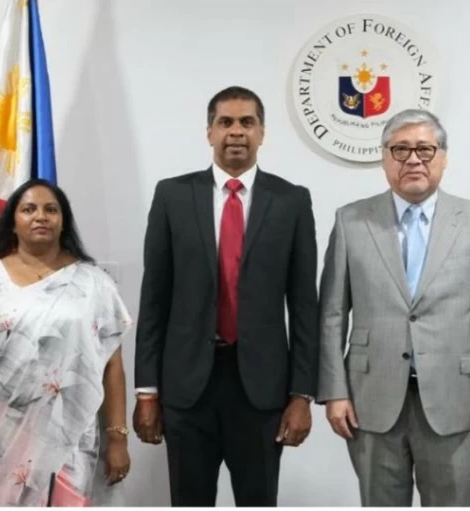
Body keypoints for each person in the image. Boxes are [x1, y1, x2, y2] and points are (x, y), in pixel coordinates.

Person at [316, 108, 470, 506]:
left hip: (454, 400)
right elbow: (332, 316)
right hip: (370, 398)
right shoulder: (351, 220)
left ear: (443, 157)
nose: (413, 160)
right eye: (401, 150)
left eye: (425, 149)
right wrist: (334, 392)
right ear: (384, 158)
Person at [133, 86, 319, 506]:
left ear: (262, 133)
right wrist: (147, 391)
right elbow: (154, 300)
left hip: (262, 390)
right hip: (186, 387)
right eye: (226, 122)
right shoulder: (172, 196)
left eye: (247, 122)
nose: (236, 131)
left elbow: (304, 306)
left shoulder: (291, 201)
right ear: (209, 132)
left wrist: (301, 395)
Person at [0, 179, 132, 506]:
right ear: (12, 223)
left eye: (51, 210)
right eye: (29, 209)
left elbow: (112, 366)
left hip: (70, 437)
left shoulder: (94, 282)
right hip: (1, 432)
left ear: (63, 221)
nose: (40, 216)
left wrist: (118, 438)